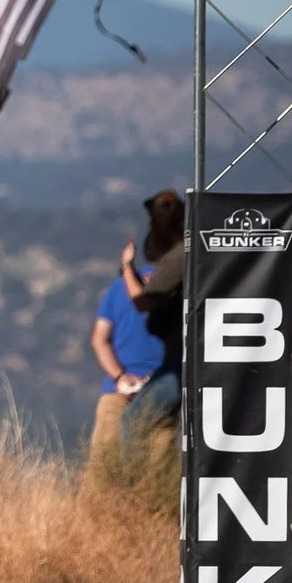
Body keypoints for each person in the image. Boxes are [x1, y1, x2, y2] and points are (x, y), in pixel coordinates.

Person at [85, 195, 173, 472]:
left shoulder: (119, 287)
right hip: (164, 390)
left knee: (103, 471)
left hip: (119, 392)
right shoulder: (182, 287)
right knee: (159, 476)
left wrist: (119, 377)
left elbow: (99, 339)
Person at [115, 189, 188, 452]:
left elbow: (143, 302)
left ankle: (134, 478)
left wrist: (126, 267)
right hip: (181, 361)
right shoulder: (188, 255)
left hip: (180, 364)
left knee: (133, 423)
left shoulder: (180, 256)